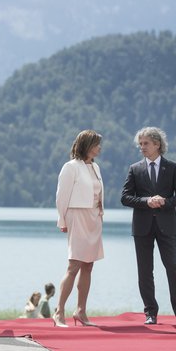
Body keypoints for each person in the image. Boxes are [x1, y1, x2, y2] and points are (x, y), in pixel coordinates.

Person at [121, 126, 176, 326]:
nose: (141, 147)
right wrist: (146, 201)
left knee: (173, 267)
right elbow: (125, 198)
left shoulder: (173, 167)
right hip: (142, 227)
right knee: (145, 271)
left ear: (157, 144)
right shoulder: (135, 169)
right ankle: (150, 313)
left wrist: (164, 202)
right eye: (140, 144)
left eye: (145, 144)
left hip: (166, 226)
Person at [54, 130, 104, 328]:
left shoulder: (96, 167)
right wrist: (62, 220)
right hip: (77, 216)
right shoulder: (70, 167)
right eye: (96, 144)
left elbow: (97, 193)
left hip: (94, 217)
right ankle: (59, 312)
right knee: (74, 264)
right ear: (86, 145)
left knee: (89, 265)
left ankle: (81, 311)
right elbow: (61, 196)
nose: (100, 148)